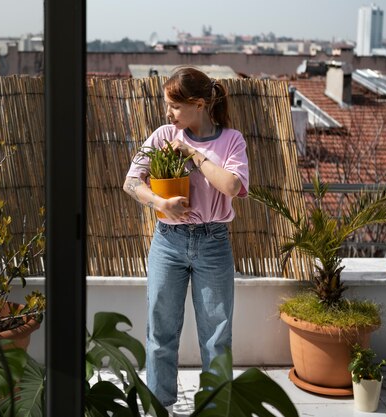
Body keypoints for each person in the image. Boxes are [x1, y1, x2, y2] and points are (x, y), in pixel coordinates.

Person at [123, 66, 249, 413]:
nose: (169, 113)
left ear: (198, 104)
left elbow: (232, 186)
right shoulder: (162, 135)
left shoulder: (231, 140)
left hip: (213, 243)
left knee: (217, 337)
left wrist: (192, 154)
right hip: (168, 241)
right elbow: (131, 182)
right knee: (160, 332)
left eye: (175, 106)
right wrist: (161, 203)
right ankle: (159, 406)